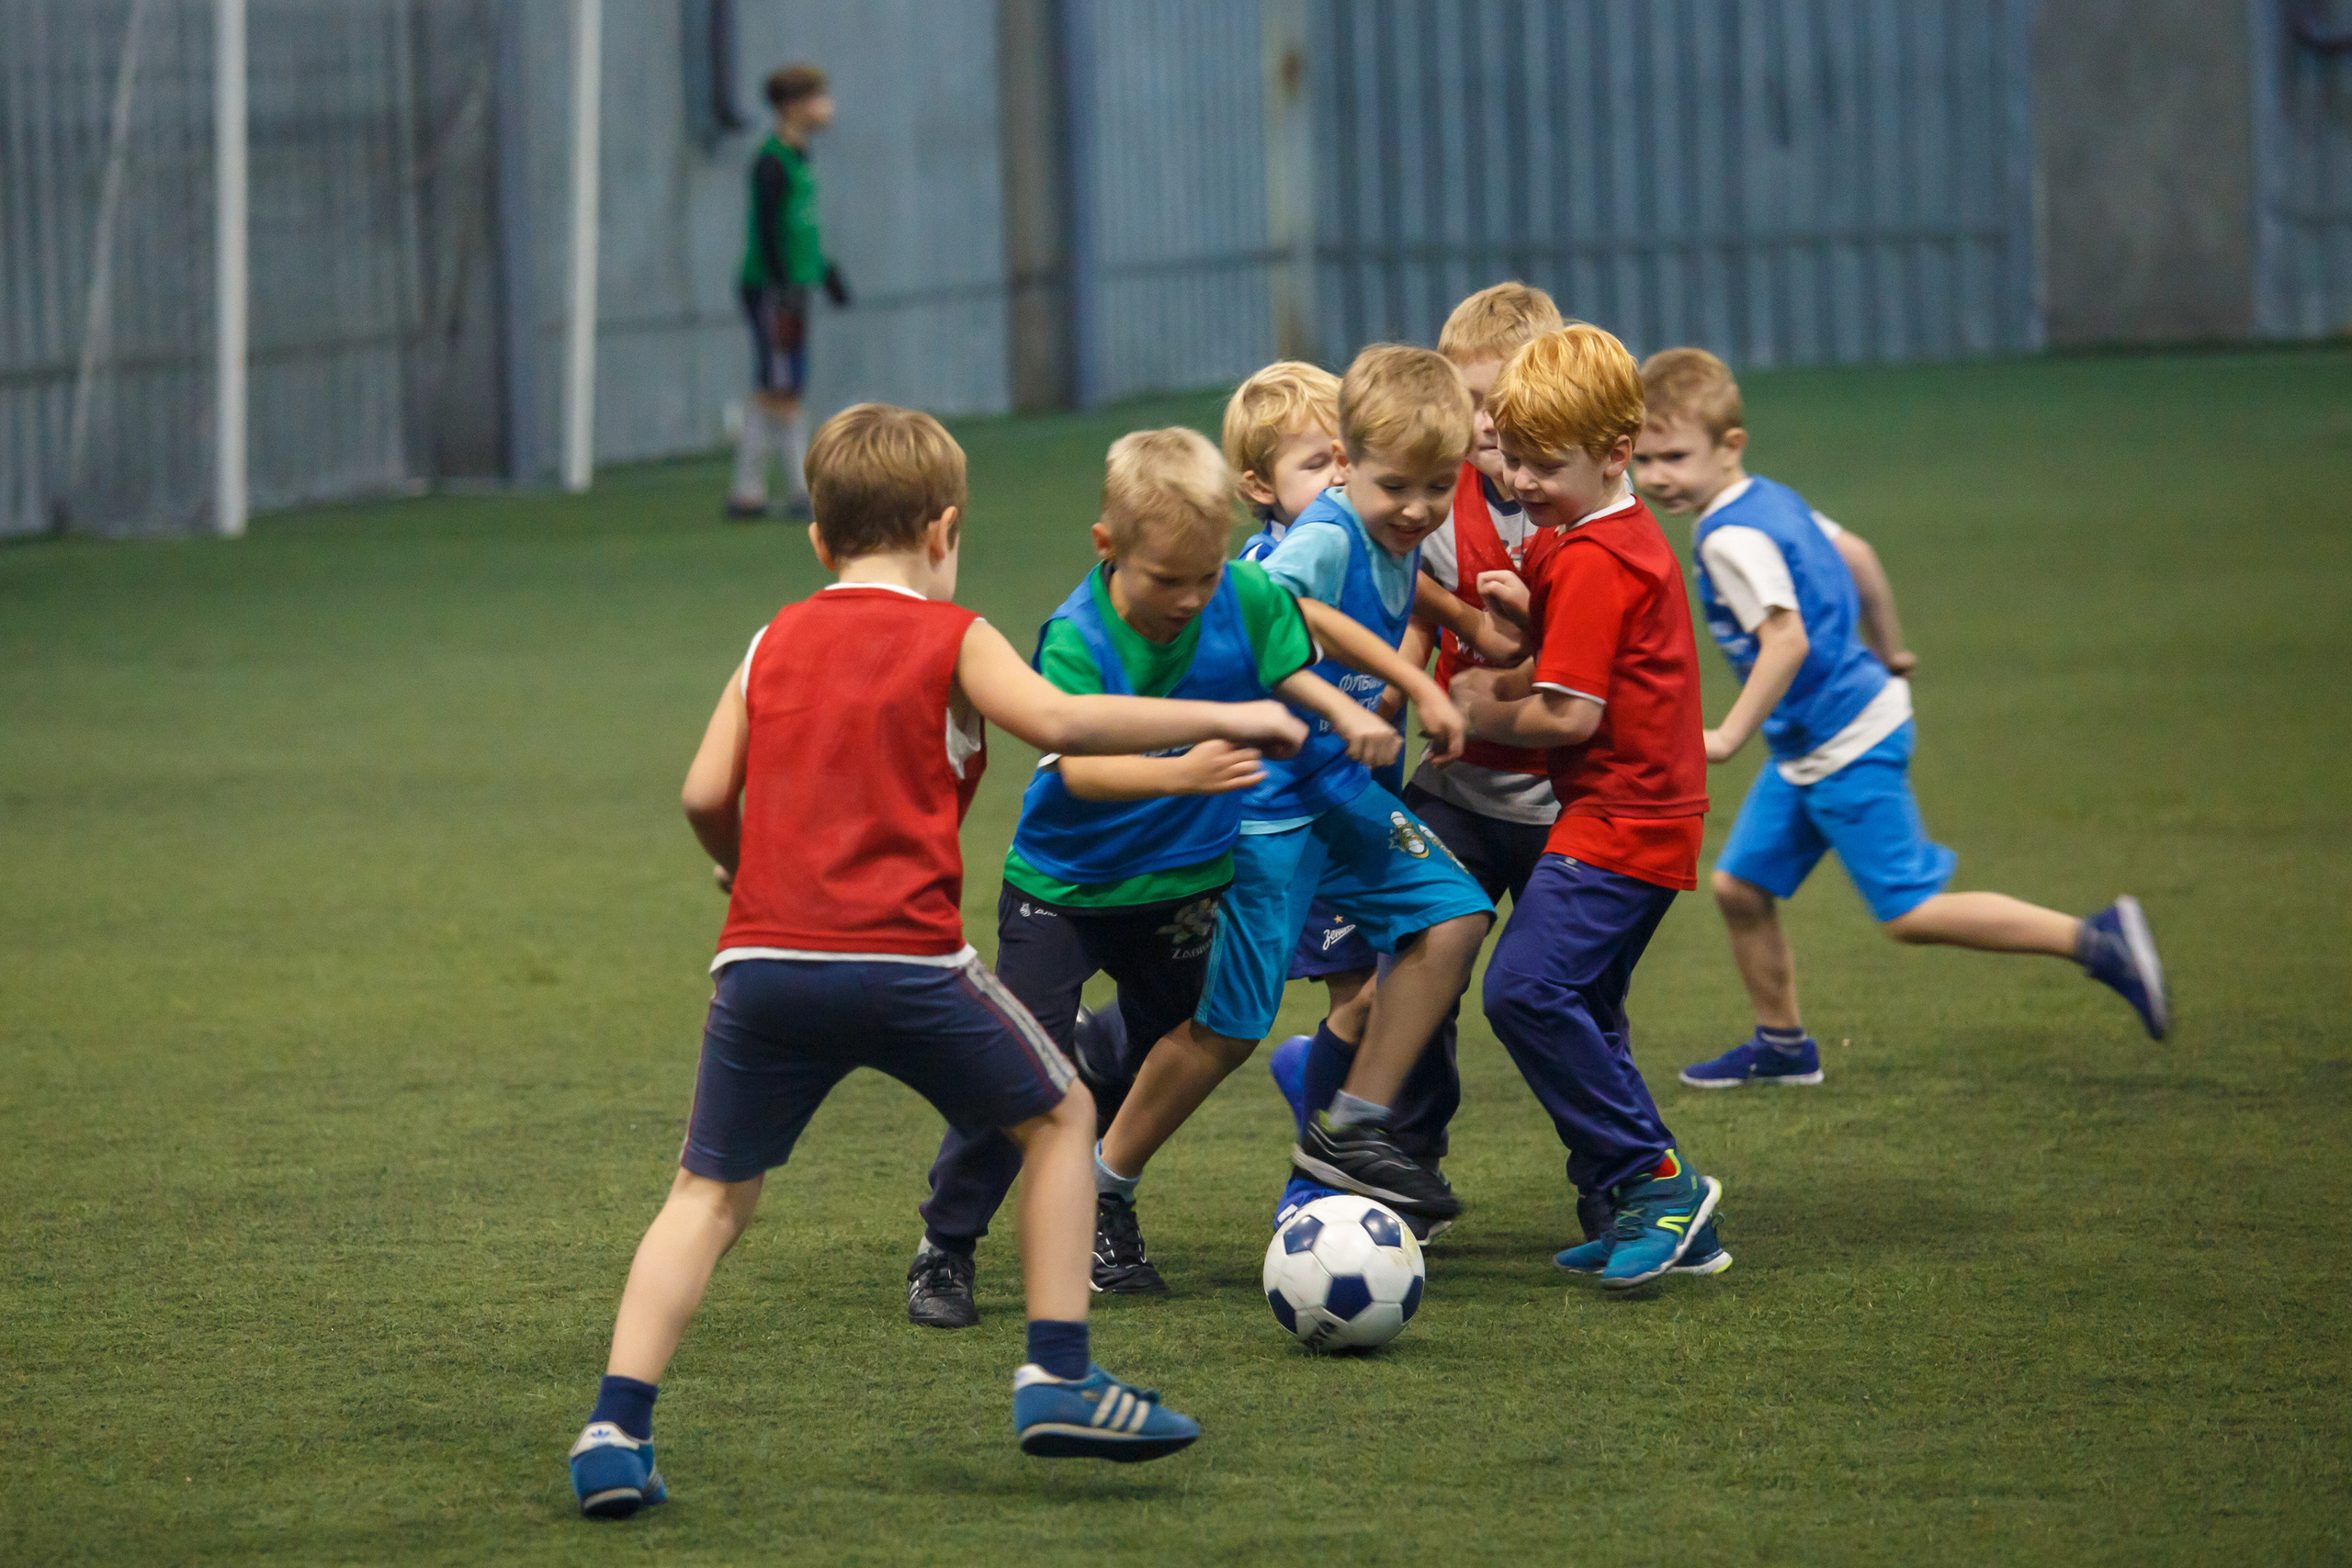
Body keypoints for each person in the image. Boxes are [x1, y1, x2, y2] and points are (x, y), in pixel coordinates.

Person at [566, 404, 1311, 1517]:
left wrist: (741, 870)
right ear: (945, 529)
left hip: (764, 964)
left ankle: (614, 1429)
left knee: (708, 1196)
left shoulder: (771, 639)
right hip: (909, 965)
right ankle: (1059, 1373)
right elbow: (1057, 719)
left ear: (818, 540)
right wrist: (1237, 716)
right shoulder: (951, 636)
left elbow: (702, 794)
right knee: (1061, 1116)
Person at [899, 427, 1400, 1326]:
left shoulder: (1240, 594)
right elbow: (1080, 767)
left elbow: (1289, 659)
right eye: (1168, 580)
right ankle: (948, 1245)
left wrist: (1349, 709)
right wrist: (1188, 770)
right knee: (1018, 1068)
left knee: (1178, 1037)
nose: (1191, 598)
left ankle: (1099, 1188)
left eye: (1205, 575)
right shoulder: (1076, 636)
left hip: (1183, 890)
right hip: (1064, 890)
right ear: (1108, 549)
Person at [1629, 347, 2167, 1090]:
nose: (1658, 477)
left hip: (1844, 742)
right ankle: (1783, 1045)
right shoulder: (1770, 499)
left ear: (1730, 446)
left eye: (1676, 457)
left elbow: (1785, 640)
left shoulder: (1727, 538)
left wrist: (1725, 734)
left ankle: (2097, 939)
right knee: (1738, 886)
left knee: (1910, 911)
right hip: (1816, 741)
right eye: (1643, 459)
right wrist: (1891, 648)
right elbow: (1859, 554)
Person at [1090, 344, 1496, 1268]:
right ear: (1350, 469)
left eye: (1441, 485)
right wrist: (1409, 685)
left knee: (1455, 917)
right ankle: (1102, 1188)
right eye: (1398, 486)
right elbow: (1292, 609)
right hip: (1265, 807)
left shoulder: (1383, 532)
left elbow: (1399, 581)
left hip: (1334, 790)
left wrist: (1468, 623)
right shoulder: (1321, 535)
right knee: (1227, 1030)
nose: (1420, 509)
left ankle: (1350, 1124)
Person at [1449, 323, 1728, 1290]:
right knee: (1587, 1005)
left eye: (1541, 466)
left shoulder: (1597, 560)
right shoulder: (1594, 537)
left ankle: (1658, 1184)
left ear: (1615, 454)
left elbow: (1569, 714)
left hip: (1624, 814)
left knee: (1525, 990)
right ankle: (1642, 1208)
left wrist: (1484, 704)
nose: (1519, 483)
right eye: (1511, 459)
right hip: (1636, 810)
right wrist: (1530, 611)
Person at [727, 63, 852, 524]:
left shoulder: (801, 158)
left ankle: (747, 493)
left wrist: (824, 273)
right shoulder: (771, 160)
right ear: (793, 106)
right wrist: (783, 282)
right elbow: (769, 230)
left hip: (793, 289)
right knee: (785, 386)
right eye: (817, 96)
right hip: (772, 292)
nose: (826, 106)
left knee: (774, 385)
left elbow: (801, 230)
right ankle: (803, 490)